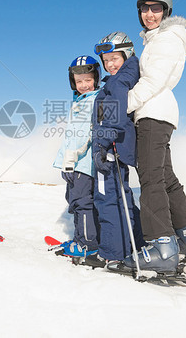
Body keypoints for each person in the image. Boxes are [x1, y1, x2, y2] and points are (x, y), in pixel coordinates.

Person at [121, 0, 186, 273]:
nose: (149, 14)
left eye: (156, 8)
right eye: (144, 8)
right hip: (159, 112)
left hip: (153, 113)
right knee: (166, 178)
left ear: (166, 11)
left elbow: (153, 81)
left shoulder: (166, 40)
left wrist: (123, 105)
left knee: (151, 179)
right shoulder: (157, 40)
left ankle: (162, 248)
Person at [84, 32, 144, 268]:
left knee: (107, 198)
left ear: (126, 54)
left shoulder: (118, 82)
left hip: (109, 149)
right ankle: (133, 245)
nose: (109, 65)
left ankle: (112, 253)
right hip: (112, 147)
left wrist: (103, 143)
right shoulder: (121, 77)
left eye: (114, 59)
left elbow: (114, 118)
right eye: (106, 60)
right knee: (120, 196)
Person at [53, 55, 101, 257]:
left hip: (81, 163)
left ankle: (87, 245)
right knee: (73, 200)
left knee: (82, 202)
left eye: (88, 80)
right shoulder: (80, 101)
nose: (83, 85)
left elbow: (86, 135)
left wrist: (71, 159)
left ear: (96, 79)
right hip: (72, 163)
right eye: (79, 81)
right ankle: (79, 238)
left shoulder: (93, 101)